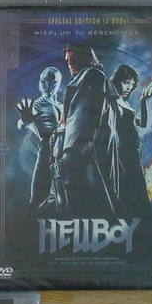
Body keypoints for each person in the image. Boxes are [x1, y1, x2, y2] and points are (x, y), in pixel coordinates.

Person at [46, 45, 119, 214]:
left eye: (74, 59)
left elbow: (84, 116)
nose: (70, 64)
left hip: (79, 154)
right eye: (68, 61)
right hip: (71, 153)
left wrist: (71, 152)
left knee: (86, 206)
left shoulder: (91, 76)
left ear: (86, 58)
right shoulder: (84, 79)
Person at [108, 64, 152, 214]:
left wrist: (143, 101)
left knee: (136, 185)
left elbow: (142, 123)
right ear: (117, 81)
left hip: (133, 150)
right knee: (130, 185)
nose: (129, 87)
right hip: (123, 150)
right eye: (125, 82)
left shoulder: (125, 103)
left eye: (131, 84)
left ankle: (138, 217)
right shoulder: (113, 101)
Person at [15, 66, 64, 209]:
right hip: (46, 148)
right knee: (41, 191)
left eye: (53, 82)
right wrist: (26, 121)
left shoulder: (60, 105)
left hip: (61, 149)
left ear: (59, 84)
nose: (48, 86)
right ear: (40, 82)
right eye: (45, 81)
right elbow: (21, 124)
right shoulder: (37, 104)